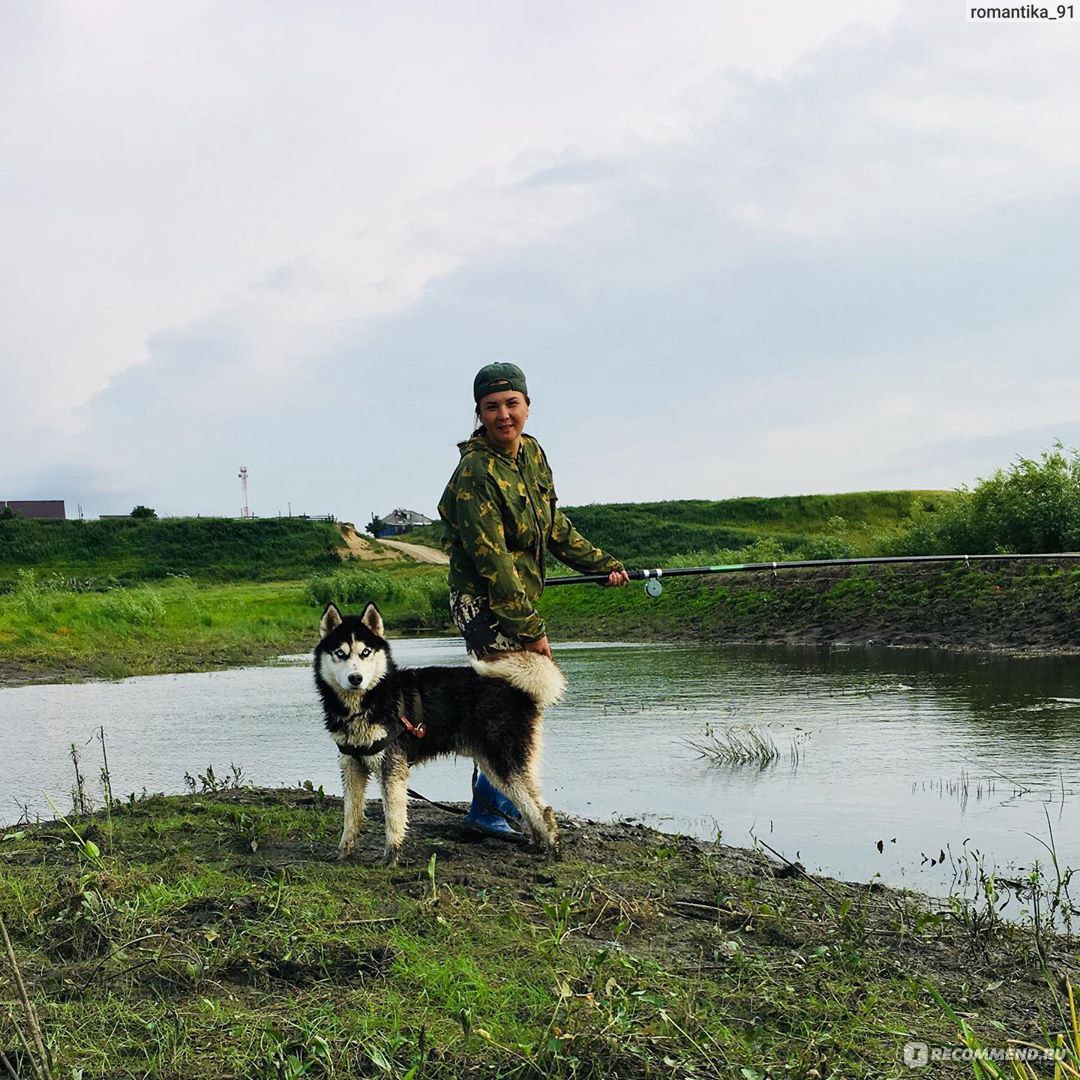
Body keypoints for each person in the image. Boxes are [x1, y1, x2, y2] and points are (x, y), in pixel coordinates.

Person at [438, 362, 629, 838]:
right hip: (484, 605)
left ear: (527, 404)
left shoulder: (533, 455)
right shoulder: (475, 474)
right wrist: (532, 632)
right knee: (510, 707)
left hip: (517, 599)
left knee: (511, 709)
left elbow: (552, 526)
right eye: (492, 407)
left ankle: (493, 806)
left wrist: (600, 564)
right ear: (479, 413)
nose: (504, 415)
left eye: (512, 404)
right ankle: (489, 810)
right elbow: (494, 563)